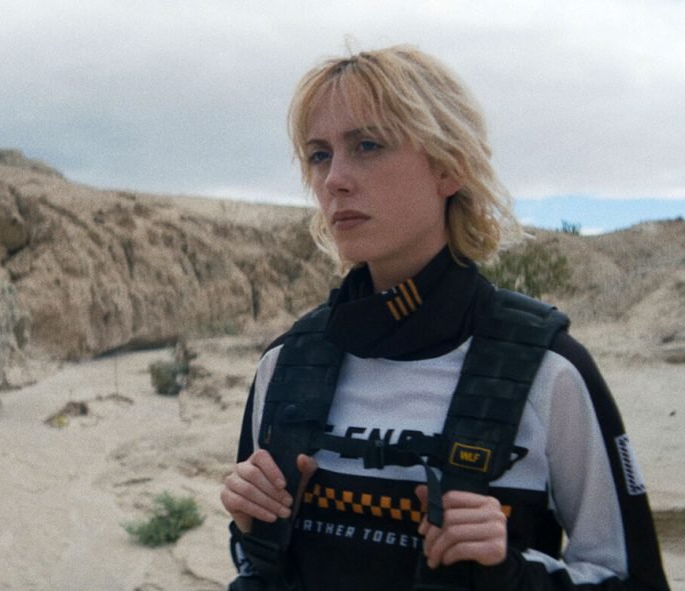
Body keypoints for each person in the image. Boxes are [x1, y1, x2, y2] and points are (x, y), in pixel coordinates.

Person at [219, 45, 669, 590]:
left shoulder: (548, 372)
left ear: (449, 166)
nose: (334, 179)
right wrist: (253, 529)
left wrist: (508, 573)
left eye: (367, 145)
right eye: (319, 155)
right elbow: (256, 567)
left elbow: (634, 578)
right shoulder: (286, 365)